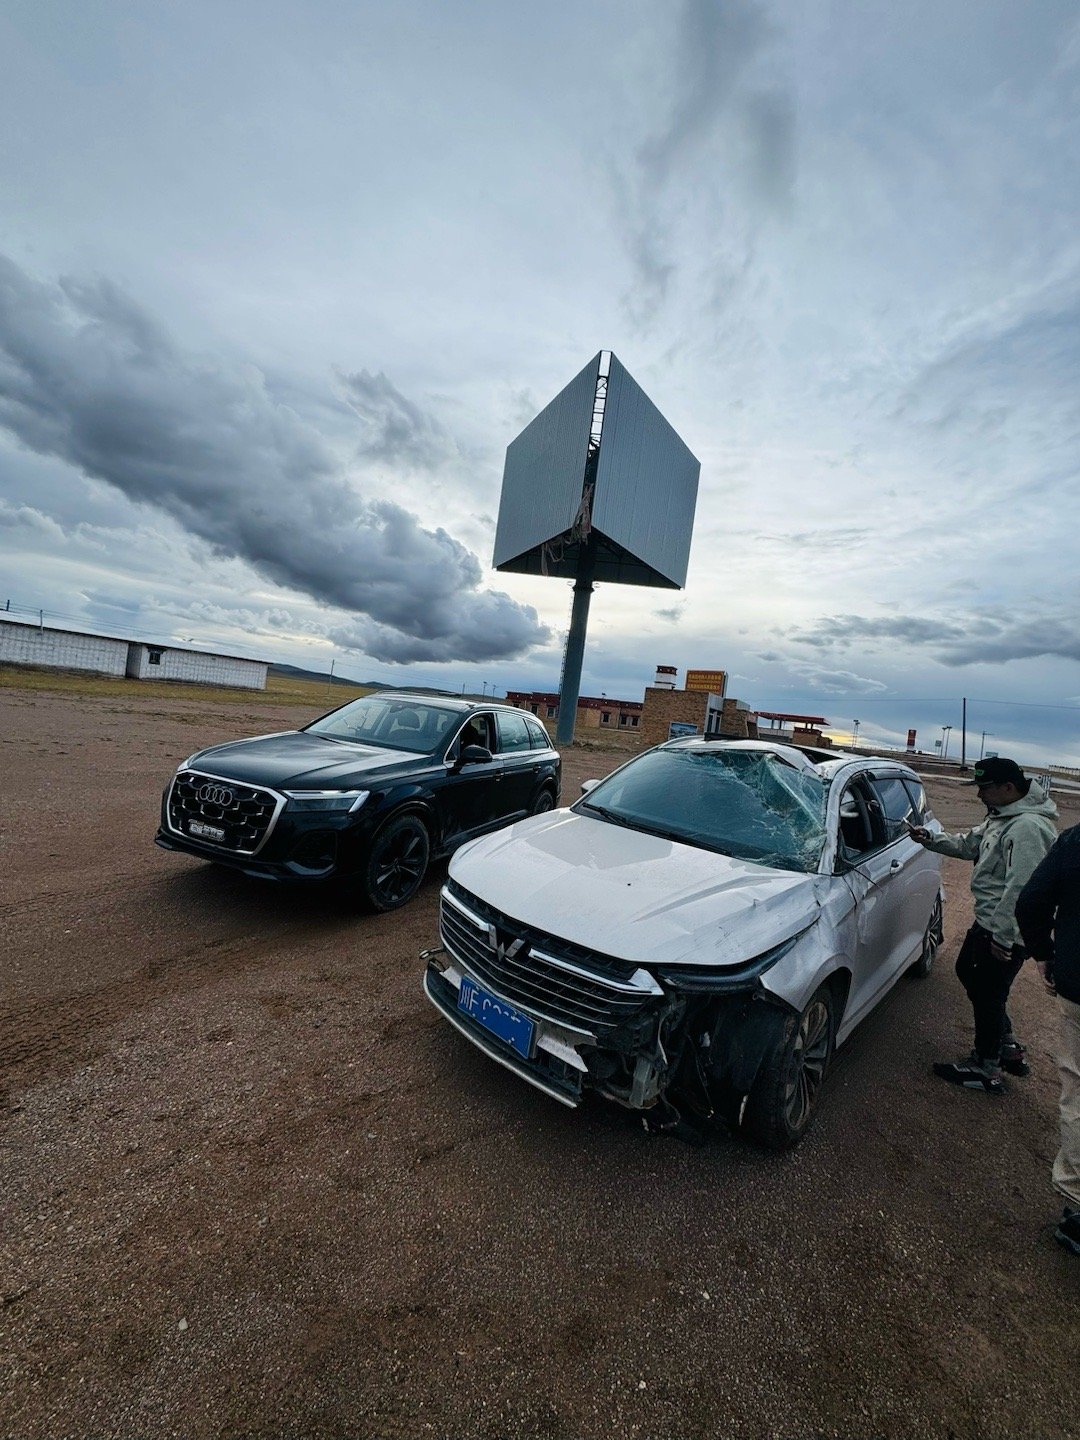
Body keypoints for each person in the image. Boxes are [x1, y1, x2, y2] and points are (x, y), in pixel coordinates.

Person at [909, 756, 1057, 1094]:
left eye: (984, 788)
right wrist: (929, 839)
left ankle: (986, 1066)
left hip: (1005, 929)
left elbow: (1021, 889)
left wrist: (1004, 937)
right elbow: (969, 844)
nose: (979, 795)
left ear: (1008, 787)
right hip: (990, 921)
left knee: (989, 992)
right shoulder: (1003, 817)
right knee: (971, 974)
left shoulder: (1028, 828)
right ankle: (1005, 1045)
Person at [1015, 824, 1080, 1257]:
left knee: (1078, 1092)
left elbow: (1032, 901)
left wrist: (1042, 956)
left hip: (1079, 985)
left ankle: (1076, 1207)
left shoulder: (1075, 840)